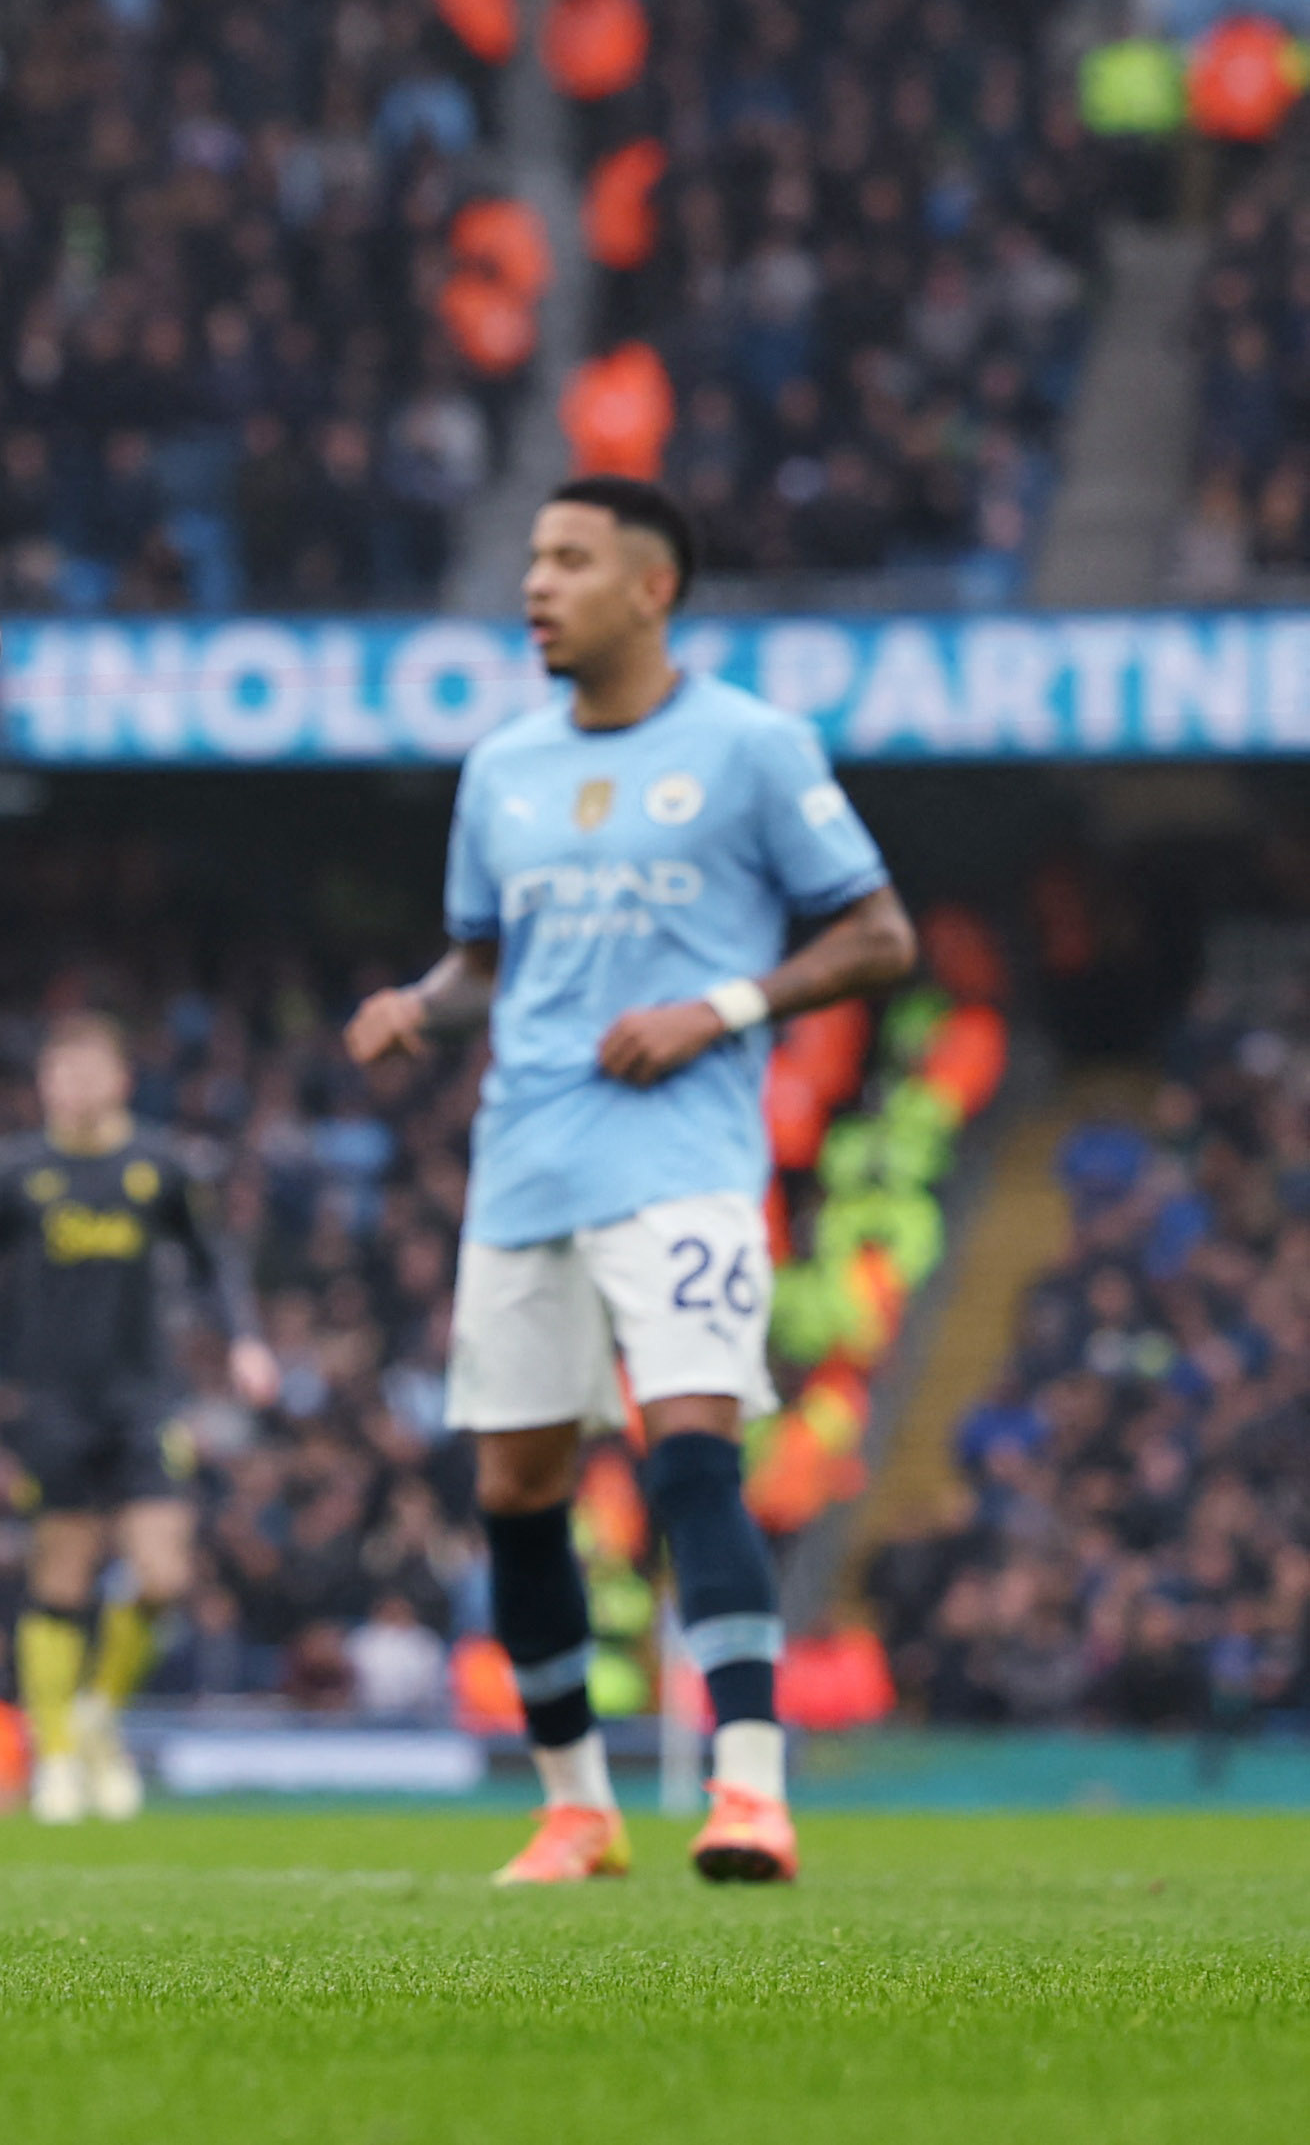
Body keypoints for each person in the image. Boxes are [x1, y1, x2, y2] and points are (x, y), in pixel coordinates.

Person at [344, 476, 915, 1886]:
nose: (535, 583)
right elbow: (486, 962)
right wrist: (417, 1004)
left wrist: (717, 1009)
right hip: (523, 1159)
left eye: (570, 559)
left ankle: (749, 1789)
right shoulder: (502, 768)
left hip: (682, 1161)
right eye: (533, 556)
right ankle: (576, 1808)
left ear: (652, 587)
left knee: (690, 1450)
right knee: (516, 1483)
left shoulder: (751, 746)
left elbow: (878, 934)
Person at [0, 1013, 271, 1823]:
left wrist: (245, 1340)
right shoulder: (13, 1171)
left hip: (145, 1398)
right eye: (60, 1074)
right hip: (49, 1402)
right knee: (61, 1578)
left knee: (164, 1575)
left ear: (120, 1081)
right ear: (43, 1085)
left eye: (88, 1073)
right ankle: (57, 1758)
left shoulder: (161, 1165)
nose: (74, 1089)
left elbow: (213, 1259)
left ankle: (96, 1713)